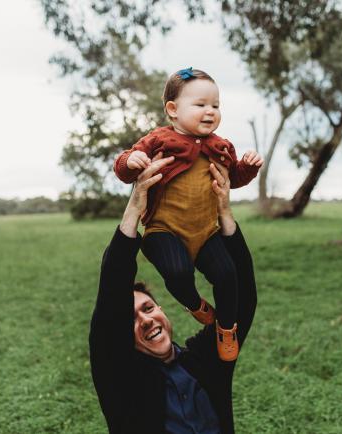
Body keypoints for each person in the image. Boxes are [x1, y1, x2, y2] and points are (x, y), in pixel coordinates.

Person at [90, 154, 257, 433]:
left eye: (148, 308)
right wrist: (135, 206)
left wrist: (224, 212)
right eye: (129, 320)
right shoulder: (120, 377)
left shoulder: (207, 358)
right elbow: (110, 300)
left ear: (163, 311)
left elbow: (244, 299)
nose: (145, 320)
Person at [113, 67, 263, 361]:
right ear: (173, 109)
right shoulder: (158, 139)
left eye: (216, 105)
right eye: (200, 105)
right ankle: (194, 303)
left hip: (206, 232)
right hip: (164, 231)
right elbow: (122, 167)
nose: (210, 111)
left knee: (227, 274)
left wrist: (249, 166)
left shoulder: (221, 146)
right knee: (178, 272)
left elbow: (235, 177)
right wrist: (131, 159)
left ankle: (226, 328)